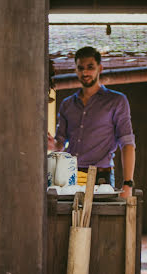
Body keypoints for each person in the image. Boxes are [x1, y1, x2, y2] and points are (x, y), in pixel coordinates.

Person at [48, 46, 136, 198]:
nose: (85, 72)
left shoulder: (116, 101)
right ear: (75, 70)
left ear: (100, 68)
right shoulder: (67, 104)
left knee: (99, 221)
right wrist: (53, 145)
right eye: (81, 68)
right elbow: (60, 142)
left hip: (100, 178)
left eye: (90, 67)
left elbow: (127, 143)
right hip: (69, 178)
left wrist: (128, 183)